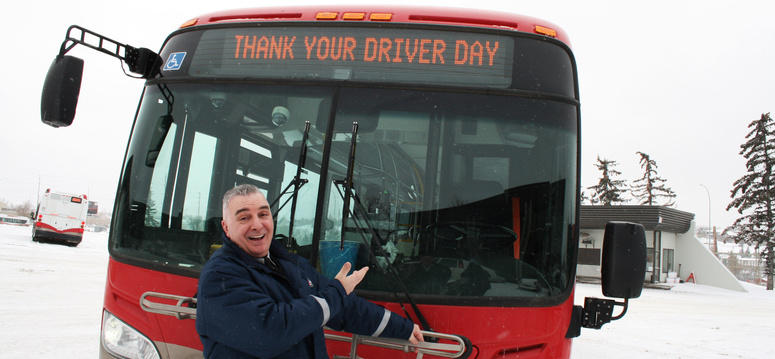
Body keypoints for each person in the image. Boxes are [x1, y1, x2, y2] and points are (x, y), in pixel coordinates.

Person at [196, 184, 423, 358]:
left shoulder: (286, 263)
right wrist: (337, 293)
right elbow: (272, 331)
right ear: (226, 227)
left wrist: (402, 327)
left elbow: (342, 306)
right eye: (244, 217)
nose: (257, 224)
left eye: (263, 214)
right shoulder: (220, 276)